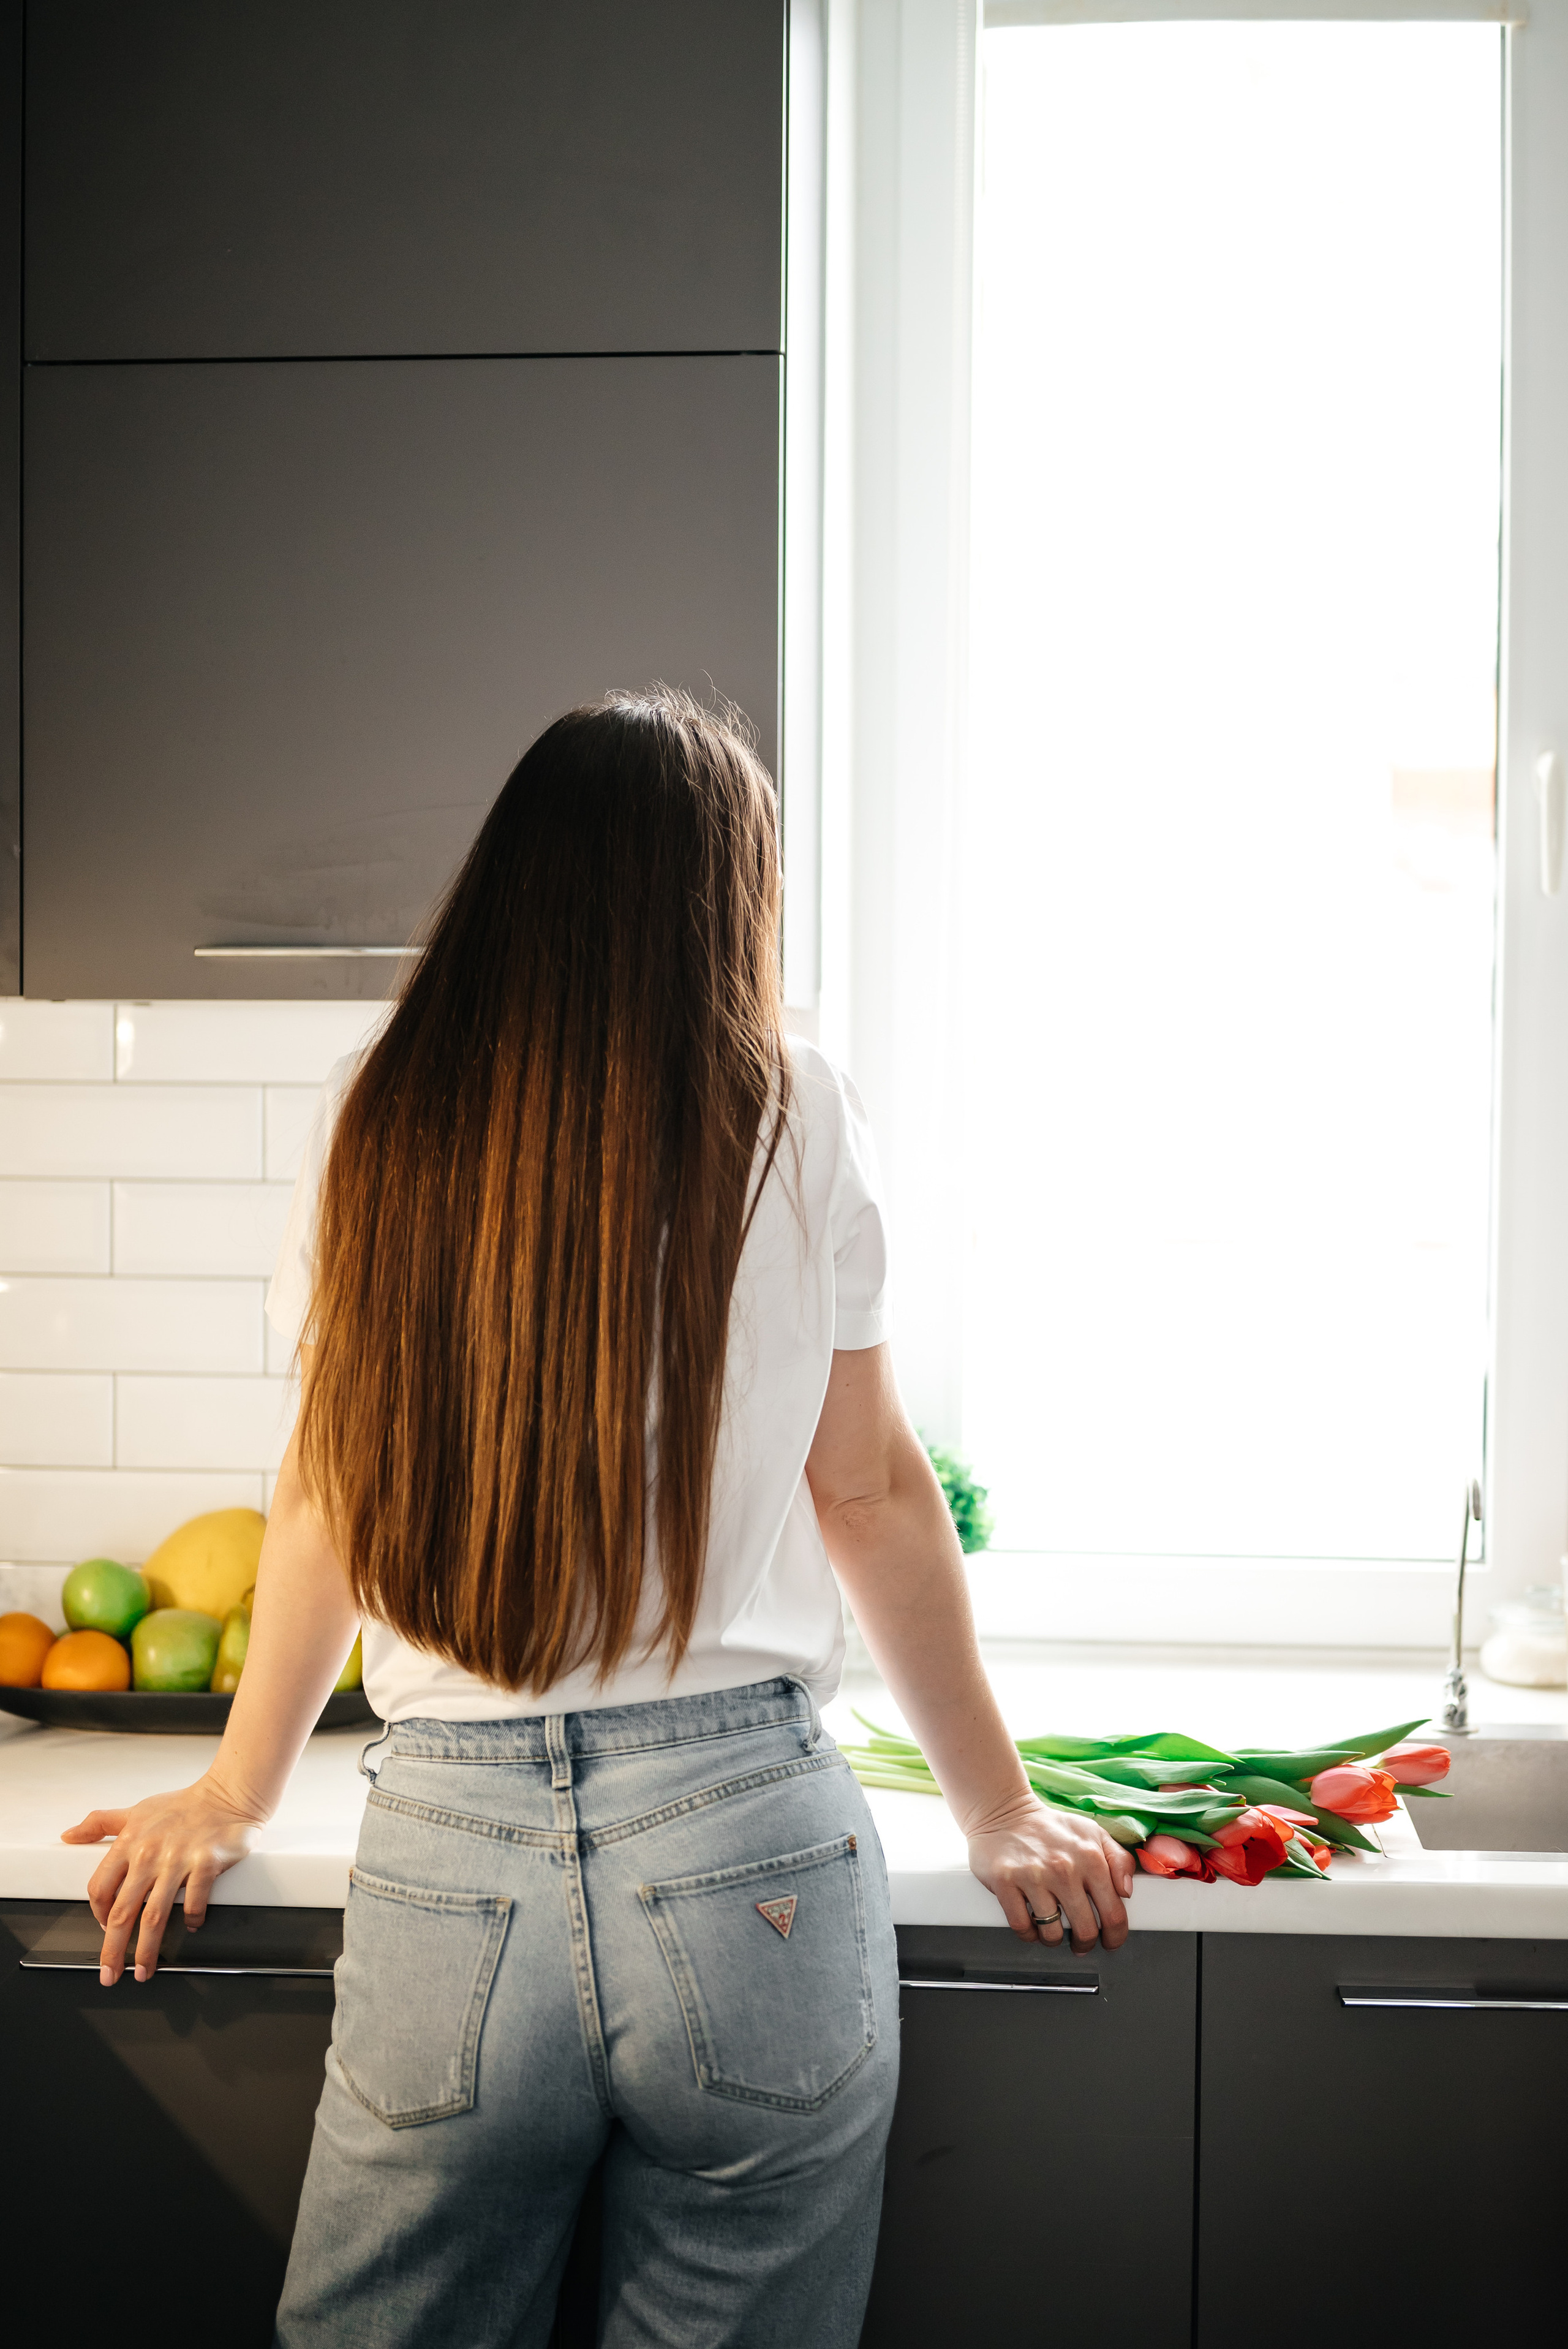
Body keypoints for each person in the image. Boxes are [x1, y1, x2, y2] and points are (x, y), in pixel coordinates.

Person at [63, 689, 1133, 2348]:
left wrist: (234, 1783)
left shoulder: (382, 1108)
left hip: (448, 1861)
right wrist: (996, 1805)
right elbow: (868, 1488)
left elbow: (327, 1491)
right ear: (731, 898)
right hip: (748, 1847)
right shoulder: (799, 1107)